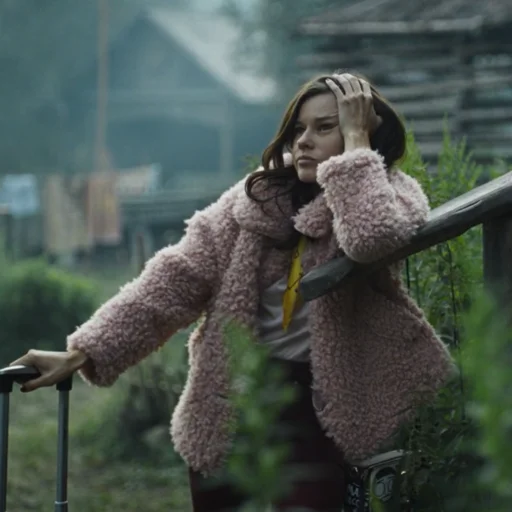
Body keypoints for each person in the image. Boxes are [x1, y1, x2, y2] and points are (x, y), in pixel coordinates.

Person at [10, 72, 454, 511]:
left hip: (322, 408)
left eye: (324, 127)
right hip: (231, 402)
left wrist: (356, 145)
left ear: (364, 133)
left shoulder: (388, 194)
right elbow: (172, 279)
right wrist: (81, 353)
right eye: (298, 129)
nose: (303, 141)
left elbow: (370, 237)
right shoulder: (253, 202)